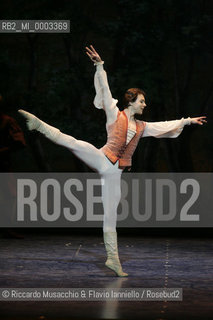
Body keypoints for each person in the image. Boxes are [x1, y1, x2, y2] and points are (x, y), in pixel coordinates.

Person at [18, 45, 207, 277]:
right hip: (102, 158)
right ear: (131, 101)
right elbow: (105, 92)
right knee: (75, 143)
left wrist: (187, 121)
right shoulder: (114, 114)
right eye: (141, 101)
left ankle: (113, 260)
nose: (144, 105)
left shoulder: (141, 127)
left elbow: (164, 126)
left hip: (115, 173)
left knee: (110, 216)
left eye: (144, 102)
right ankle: (38, 124)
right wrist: (99, 66)